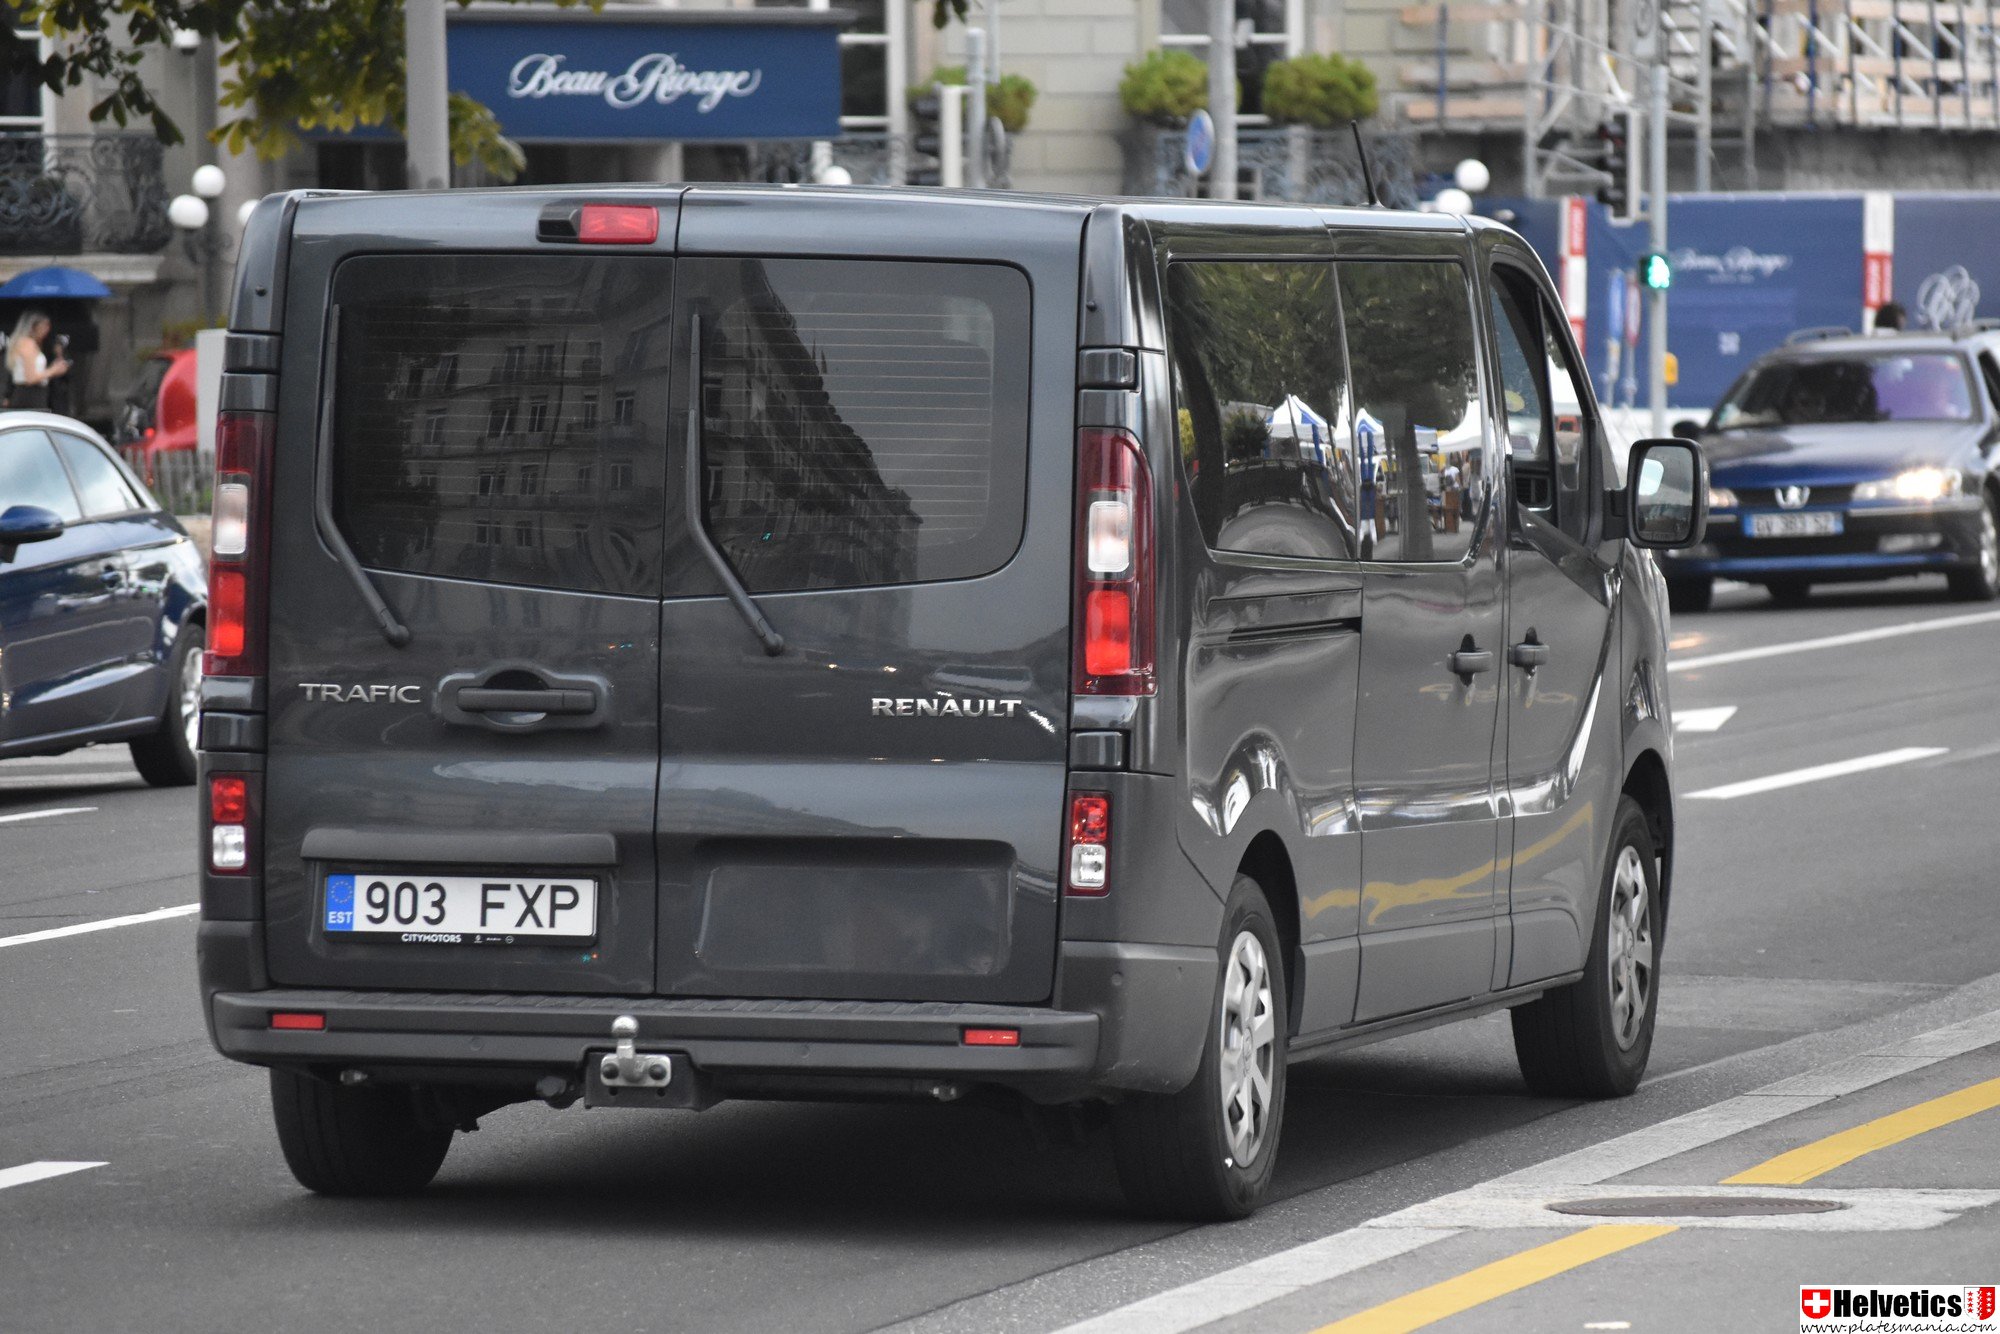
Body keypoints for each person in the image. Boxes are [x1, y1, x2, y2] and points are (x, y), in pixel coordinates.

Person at [6, 312, 70, 409]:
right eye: (44, 326)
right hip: (29, 394)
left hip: (37, 392)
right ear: (34, 327)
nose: (47, 330)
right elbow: (30, 378)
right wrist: (54, 370)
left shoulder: (34, 344)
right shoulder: (27, 344)